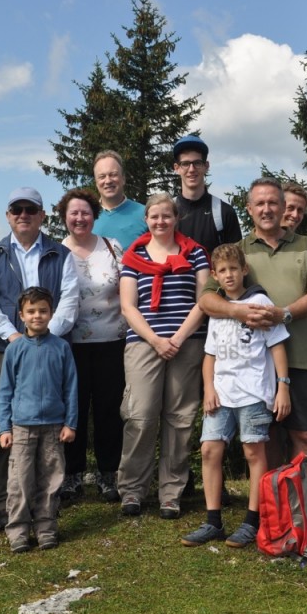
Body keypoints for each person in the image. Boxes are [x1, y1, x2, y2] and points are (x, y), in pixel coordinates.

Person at [198, 177, 307, 493]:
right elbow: (206, 299)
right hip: (254, 367)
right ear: (249, 209)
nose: (267, 209)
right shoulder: (238, 253)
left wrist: (282, 314)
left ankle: (306, 516)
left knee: (306, 436)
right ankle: (274, 514)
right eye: (260, 203)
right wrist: (240, 312)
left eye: (273, 202)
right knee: (265, 439)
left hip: (301, 358)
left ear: (284, 207)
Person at [0, 186, 79, 531]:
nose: (23, 215)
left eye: (30, 209)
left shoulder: (60, 254)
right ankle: (2, 504)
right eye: (16, 209)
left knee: (49, 437)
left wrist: (47, 335)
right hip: (6, 349)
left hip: (50, 348)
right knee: (4, 431)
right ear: (8, 215)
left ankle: (44, 506)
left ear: (42, 216)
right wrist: (14, 335)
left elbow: (69, 299)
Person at [181, 244, 291, 548]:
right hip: (221, 394)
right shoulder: (216, 306)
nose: (229, 275)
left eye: (234, 268)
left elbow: (277, 345)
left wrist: (283, 386)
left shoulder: (259, 302)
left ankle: (251, 521)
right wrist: (209, 389)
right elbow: (209, 355)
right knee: (209, 451)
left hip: (254, 393)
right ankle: (212, 521)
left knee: (254, 454)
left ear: (243, 270)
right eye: (222, 271)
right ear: (215, 275)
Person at [117, 192, 209, 519]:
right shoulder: (134, 255)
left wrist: (179, 337)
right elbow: (128, 306)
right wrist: (157, 340)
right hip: (144, 342)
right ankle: (132, 490)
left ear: (176, 218)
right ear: (146, 220)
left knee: (181, 418)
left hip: (188, 342)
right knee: (140, 416)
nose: (160, 221)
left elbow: (204, 300)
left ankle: (171, 492)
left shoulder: (196, 253)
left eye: (166, 216)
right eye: (154, 216)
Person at [57, 188, 127, 503]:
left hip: (112, 342)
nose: (80, 218)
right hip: (69, 345)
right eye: (74, 213)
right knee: (74, 409)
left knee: (109, 411)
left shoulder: (112, 248)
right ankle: (71, 476)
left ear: (94, 215)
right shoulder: (56, 252)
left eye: (85, 212)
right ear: (64, 217)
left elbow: (128, 293)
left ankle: (108, 474)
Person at [0, 287, 78, 552]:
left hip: (54, 426)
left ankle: (46, 527)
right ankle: (18, 530)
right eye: (31, 311)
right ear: (21, 316)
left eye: (43, 311)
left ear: (51, 314)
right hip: (21, 426)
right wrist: (4, 427)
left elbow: (71, 387)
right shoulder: (15, 349)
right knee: (20, 480)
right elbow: (4, 390)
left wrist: (70, 423)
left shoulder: (62, 348)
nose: (37, 316)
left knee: (51, 478)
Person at [172, 134, 243, 253]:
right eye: (185, 164)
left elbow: (236, 262)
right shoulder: (166, 213)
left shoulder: (225, 213)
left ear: (206, 166)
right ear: (176, 168)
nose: (191, 169)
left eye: (197, 163)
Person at [92, 150, 148, 248]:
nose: (108, 181)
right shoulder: (87, 218)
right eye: (102, 177)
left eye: (113, 174)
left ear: (123, 178)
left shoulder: (146, 214)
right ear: (96, 182)